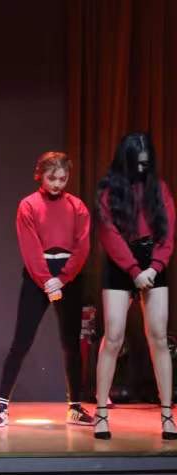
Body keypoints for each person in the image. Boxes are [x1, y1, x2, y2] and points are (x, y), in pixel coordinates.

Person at [0, 152, 93, 427]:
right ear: (40, 175)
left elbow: (82, 246)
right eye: (52, 178)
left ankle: (75, 407)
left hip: (69, 276)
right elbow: (30, 247)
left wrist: (64, 278)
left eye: (63, 179)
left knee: (71, 342)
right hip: (38, 278)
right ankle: (1, 406)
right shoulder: (28, 205)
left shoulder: (77, 206)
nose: (57, 184)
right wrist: (47, 280)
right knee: (22, 340)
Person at [93, 132, 176, 440]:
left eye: (146, 163)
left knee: (158, 337)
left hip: (152, 260)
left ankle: (167, 415)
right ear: (125, 160)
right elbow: (108, 234)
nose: (143, 168)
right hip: (121, 262)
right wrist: (133, 270)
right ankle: (101, 413)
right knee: (113, 336)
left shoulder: (159, 187)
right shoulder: (109, 190)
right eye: (138, 163)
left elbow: (168, 231)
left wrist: (154, 267)